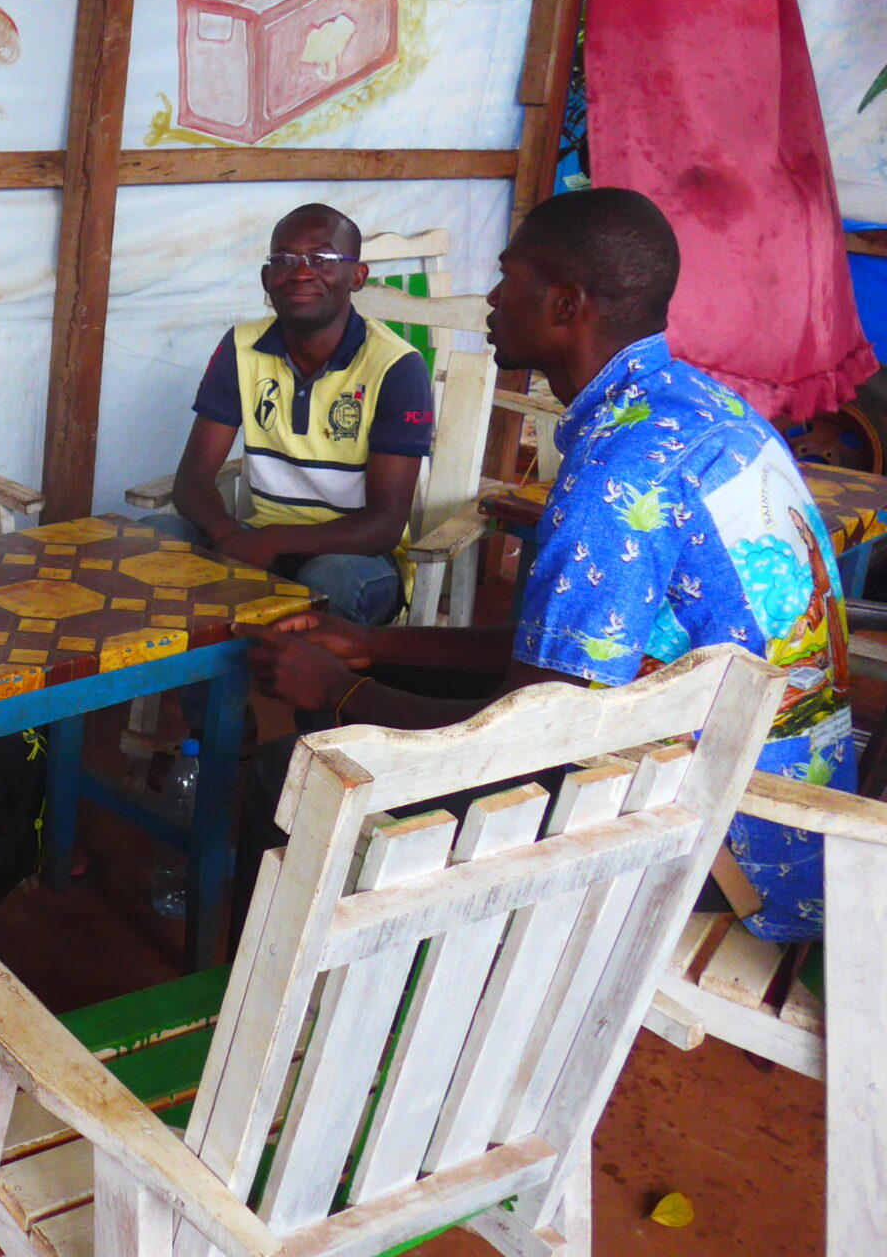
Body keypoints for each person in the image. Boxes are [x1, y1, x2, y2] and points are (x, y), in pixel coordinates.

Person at [247, 186, 856, 944]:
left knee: (291, 774)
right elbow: (566, 656)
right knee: (369, 700)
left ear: (567, 305)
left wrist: (342, 692)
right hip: (775, 810)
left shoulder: (618, 474)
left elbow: (538, 736)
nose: (492, 299)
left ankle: (345, 992)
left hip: (725, 848)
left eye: (509, 278)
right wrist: (376, 645)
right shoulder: (694, 406)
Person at [150, 203, 435, 626]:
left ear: (357, 276)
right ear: (267, 278)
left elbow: (384, 525)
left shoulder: (395, 366)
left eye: (322, 259)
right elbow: (192, 478)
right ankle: (191, 671)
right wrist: (230, 535)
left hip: (358, 557)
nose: (301, 273)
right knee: (154, 537)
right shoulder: (241, 347)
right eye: (284, 260)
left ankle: (298, 672)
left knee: (328, 578)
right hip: (257, 537)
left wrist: (274, 542)